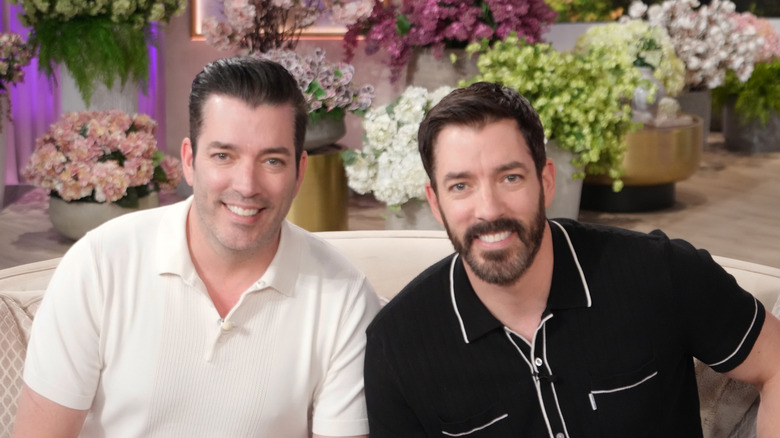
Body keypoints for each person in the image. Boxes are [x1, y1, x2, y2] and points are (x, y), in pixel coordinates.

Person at [363, 82, 780, 437]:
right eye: (460, 186)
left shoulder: (657, 272)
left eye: (510, 178)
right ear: (434, 202)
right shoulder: (397, 346)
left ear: (545, 181)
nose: (488, 209)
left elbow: (776, 364)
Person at [13, 56, 380, 438]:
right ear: (189, 161)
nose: (246, 185)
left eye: (272, 161)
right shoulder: (99, 266)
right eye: (223, 155)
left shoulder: (346, 298)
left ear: (300, 172)